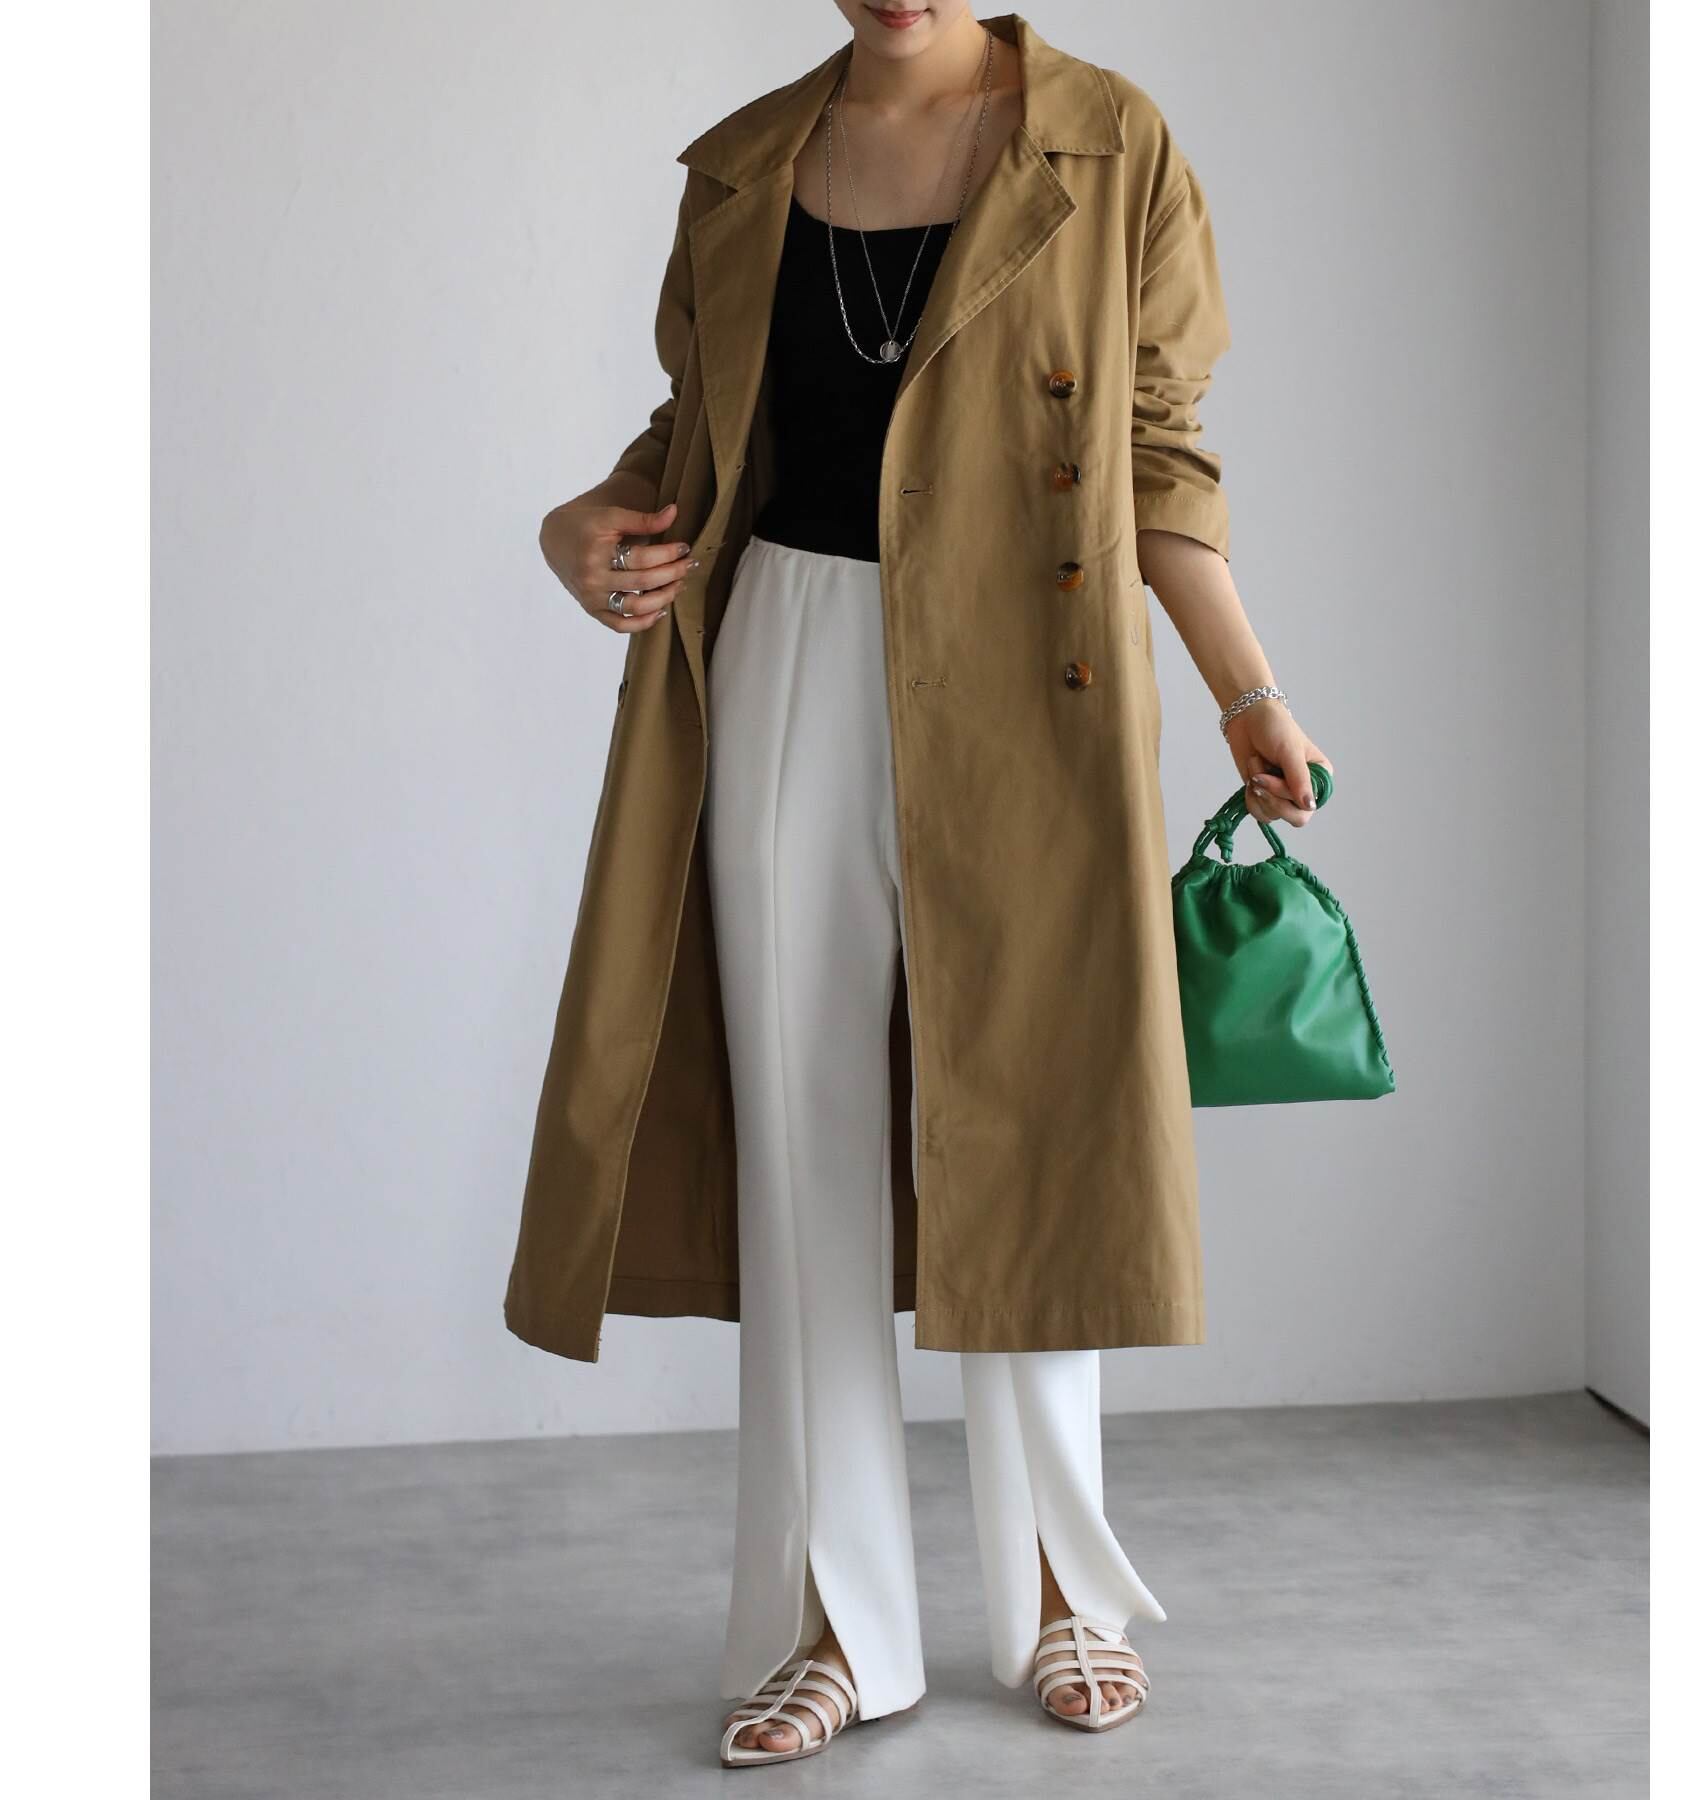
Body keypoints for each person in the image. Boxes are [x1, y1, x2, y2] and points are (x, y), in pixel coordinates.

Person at [508, 5, 1333, 1767]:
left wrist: (1247, 689)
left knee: (1031, 1132)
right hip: (789, 650)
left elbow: (1157, 443)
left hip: (1035, 676)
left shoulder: (1111, 142)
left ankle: (1061, 1599)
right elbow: (695, 434)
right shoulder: (747, 164)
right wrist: (582, 522)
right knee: (803, 1143)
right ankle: (830, 1621)